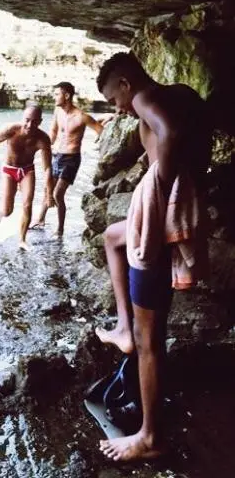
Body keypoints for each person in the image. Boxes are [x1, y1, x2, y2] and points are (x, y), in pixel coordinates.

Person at [94, 52, 210, 461]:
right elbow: (200, 144)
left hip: (159, 220)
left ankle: (149, 437)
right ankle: (123, 327)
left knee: (150, 341)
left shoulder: (145, 98)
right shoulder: (184, 93)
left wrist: (158, 188)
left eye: (114, 99)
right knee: (112, 237)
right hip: (182, 209)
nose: (118, 109)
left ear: (126, 83)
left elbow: (169, 132)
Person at [30, 82, 104, 236]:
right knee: (48, 189)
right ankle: (40, 219)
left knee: (58, 194)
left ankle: (60, 230)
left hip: (71, 159)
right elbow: (53, 132)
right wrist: (43, 147)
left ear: (67, 96)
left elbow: (100, 130)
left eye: (57, 94)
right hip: (56, 156)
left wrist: (99, 143)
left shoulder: (81, 117)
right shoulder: (58, 111)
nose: (54, 97)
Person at [0, 104, 54, 250]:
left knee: (27, 204)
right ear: (22, 118)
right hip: (9, 170)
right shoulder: (11, 130)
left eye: (35, 122)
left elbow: (47, 168)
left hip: (27, 170)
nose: (30, 125)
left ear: (40, 122)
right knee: (8, 211)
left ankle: (22, 240)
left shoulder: (43, 139)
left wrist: (49, 193)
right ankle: (0, 214)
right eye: (27, 120)